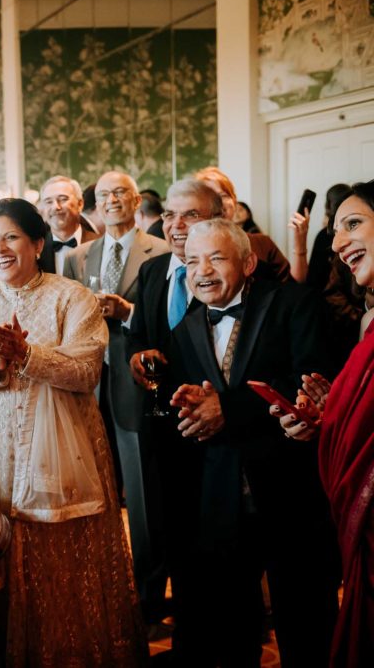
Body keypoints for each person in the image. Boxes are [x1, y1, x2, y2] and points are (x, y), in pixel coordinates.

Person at [0, 197, 145, 665]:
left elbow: (85, 373)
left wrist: (28, 356)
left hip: (59, 452)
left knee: (57, 564)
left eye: (11, 237)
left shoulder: (70, 297)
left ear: (37, 243)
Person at [169, 219, 339, 667]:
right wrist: (188, 410)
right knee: (232, 626)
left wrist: (228, 407)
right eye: (191, 261)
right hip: (221, 500)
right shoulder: (185, 327)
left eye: (215, 258)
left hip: (291, 493)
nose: (201, 270)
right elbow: (198, 403)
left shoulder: (295, 304)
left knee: (307, 621)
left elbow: (310, 379)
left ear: (247, 262)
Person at [273, 180, 374, 667]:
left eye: (354, 224)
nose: (336, 244)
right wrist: (333, 412)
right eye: (335, 232)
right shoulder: (368, 320)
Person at [63, 170, 168, 603]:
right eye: (103, 194)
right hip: (89, 381)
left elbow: (164, 323)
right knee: (92, 487)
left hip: (133, 379)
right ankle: (101, 586)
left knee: (141, 493)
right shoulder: (79, 255)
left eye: (119, 192)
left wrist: (126, 311)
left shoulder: (159, 251)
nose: (111, 200)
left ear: (136, 199)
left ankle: (147, 591)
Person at [125, 178, 224, 626]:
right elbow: (139, 338)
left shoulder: (231, 274)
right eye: (169, 215)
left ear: (218, 222)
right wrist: (137, 358)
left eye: (191, 215)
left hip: (218, 427)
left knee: (221, 547)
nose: (176, 225)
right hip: (164, 426)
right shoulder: (152, 272)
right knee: (175, 535)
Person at [195, 166, 291, 283]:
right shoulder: (190, 250)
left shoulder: (262, 244)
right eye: (210, 197)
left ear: (234, 201)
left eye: (223, 195)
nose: (218, 203)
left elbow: (290, 286)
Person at [38, 175, 101, 274]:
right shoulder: (35, 250)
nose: (56, 207)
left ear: (80, 204)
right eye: (49, 201)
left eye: (63, 199)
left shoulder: (99, 244)